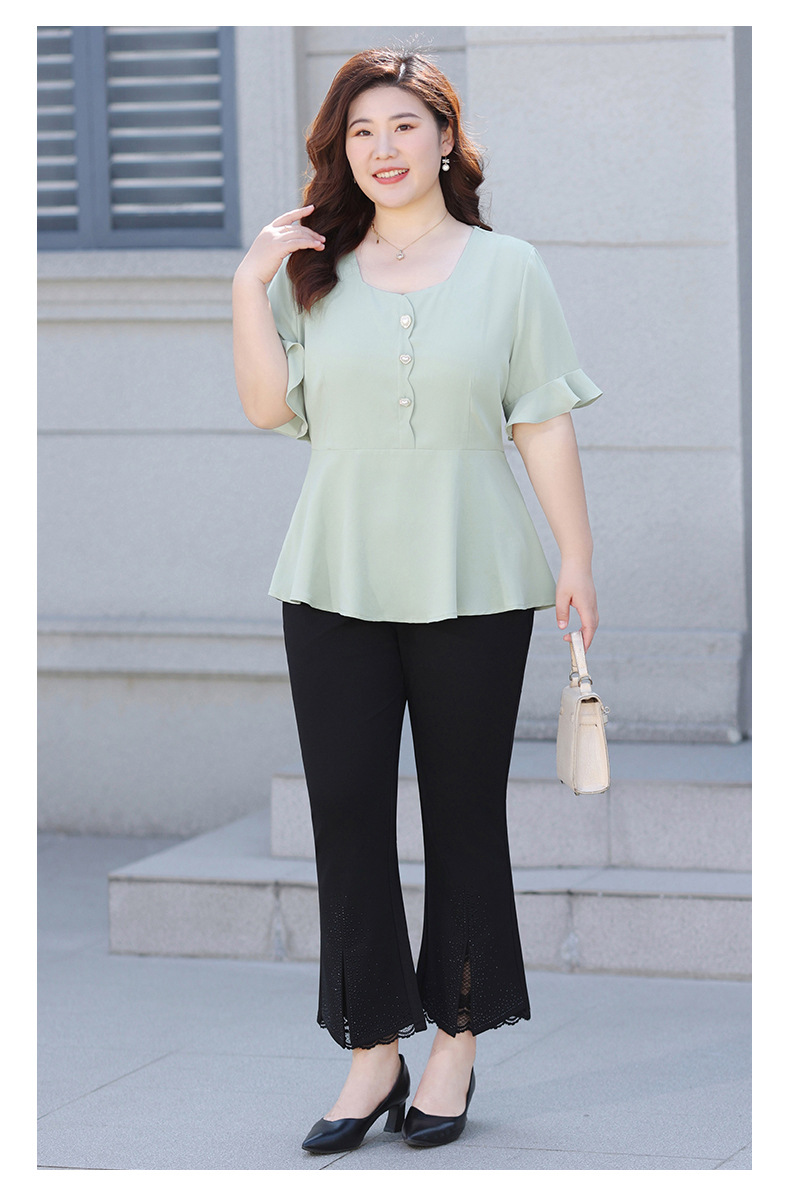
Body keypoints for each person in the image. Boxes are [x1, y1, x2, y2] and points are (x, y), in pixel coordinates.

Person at [232, 47, 601, 1155]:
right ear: (339, 152)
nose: (381, 148)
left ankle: (456, 1039)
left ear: (445, 139)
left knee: (462, 811)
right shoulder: (313, 270)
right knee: (346, 809)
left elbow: (540, 417)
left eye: (402, 126)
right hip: (333, 576)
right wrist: (248, 283)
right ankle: (371, 1050)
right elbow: (266, 408)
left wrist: (576, 556)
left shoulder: (509, 268)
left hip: (475, 576)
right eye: (360, 132)